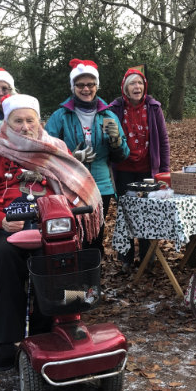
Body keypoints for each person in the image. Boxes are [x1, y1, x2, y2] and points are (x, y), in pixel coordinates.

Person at [0, 94, 103, 370]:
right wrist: (0, 220)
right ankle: (7, 343)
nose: (24, 126)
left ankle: (61, 322)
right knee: (6, 256)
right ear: (7, 124)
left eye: (30, 120)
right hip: (8, 228)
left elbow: (72, 188)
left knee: (65, 254)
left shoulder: (55, 150)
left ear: (38, 121)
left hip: (49, 225)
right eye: (18, 121)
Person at [44, 58, 129, 253]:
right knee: (73, 232)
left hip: (101, 185)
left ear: (96, 86)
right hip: (70, 184)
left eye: (90, 84)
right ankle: (74, 275)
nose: (86, 89)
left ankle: (92, 279)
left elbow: (122, 155)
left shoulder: (108, 115)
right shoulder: (61, 116)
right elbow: (47, 150)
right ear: (73, 87)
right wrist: (72, 157)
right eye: (80, 85)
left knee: (95, 234)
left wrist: (116, 141)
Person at [109, 67, 170, 269]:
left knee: (148, 212)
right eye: (133, 83)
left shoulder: (154, 108)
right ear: (125, 87)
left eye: (140, 83)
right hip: (123, 169)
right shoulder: (114, 109)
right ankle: (125, 257)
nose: (137, 87)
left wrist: (165, 170)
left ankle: (147, 257)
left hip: (148, 169)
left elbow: (163, 140)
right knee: (126, 212)